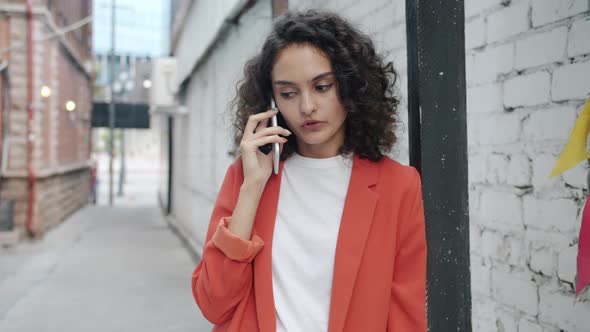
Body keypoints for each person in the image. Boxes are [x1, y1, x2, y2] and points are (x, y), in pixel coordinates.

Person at [191, 10, 426, 332]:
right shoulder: (249, 177)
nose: (306, 107)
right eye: (288, 93)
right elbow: (213, 303)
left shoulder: (398, 186)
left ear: (350, 86)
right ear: (271, 102)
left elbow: (405, 315)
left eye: (322, 87)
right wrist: (251, 188)